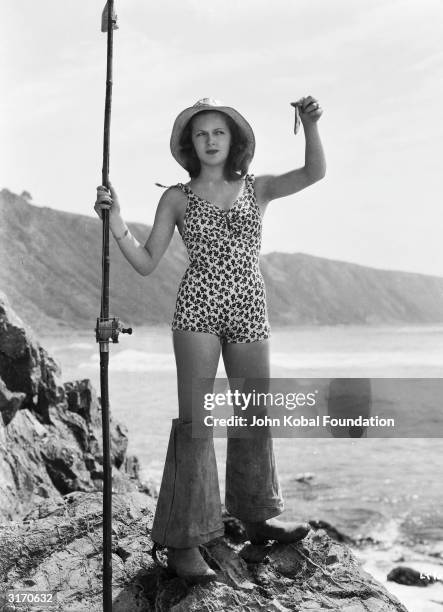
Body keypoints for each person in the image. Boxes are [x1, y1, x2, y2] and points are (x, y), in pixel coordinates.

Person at [94, 96, 326, 583]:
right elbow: (146, 260)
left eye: (219, 132)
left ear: (234, 139)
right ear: (189, 144)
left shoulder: (256, 188)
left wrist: (309, 125)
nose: (211, 140)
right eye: (201, 134)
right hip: (198, 308)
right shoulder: (176, 197)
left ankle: (257, 517)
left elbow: (313, 172)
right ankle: (182, 543)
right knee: (197, 422)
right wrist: (115, 220)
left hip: (250, 308)